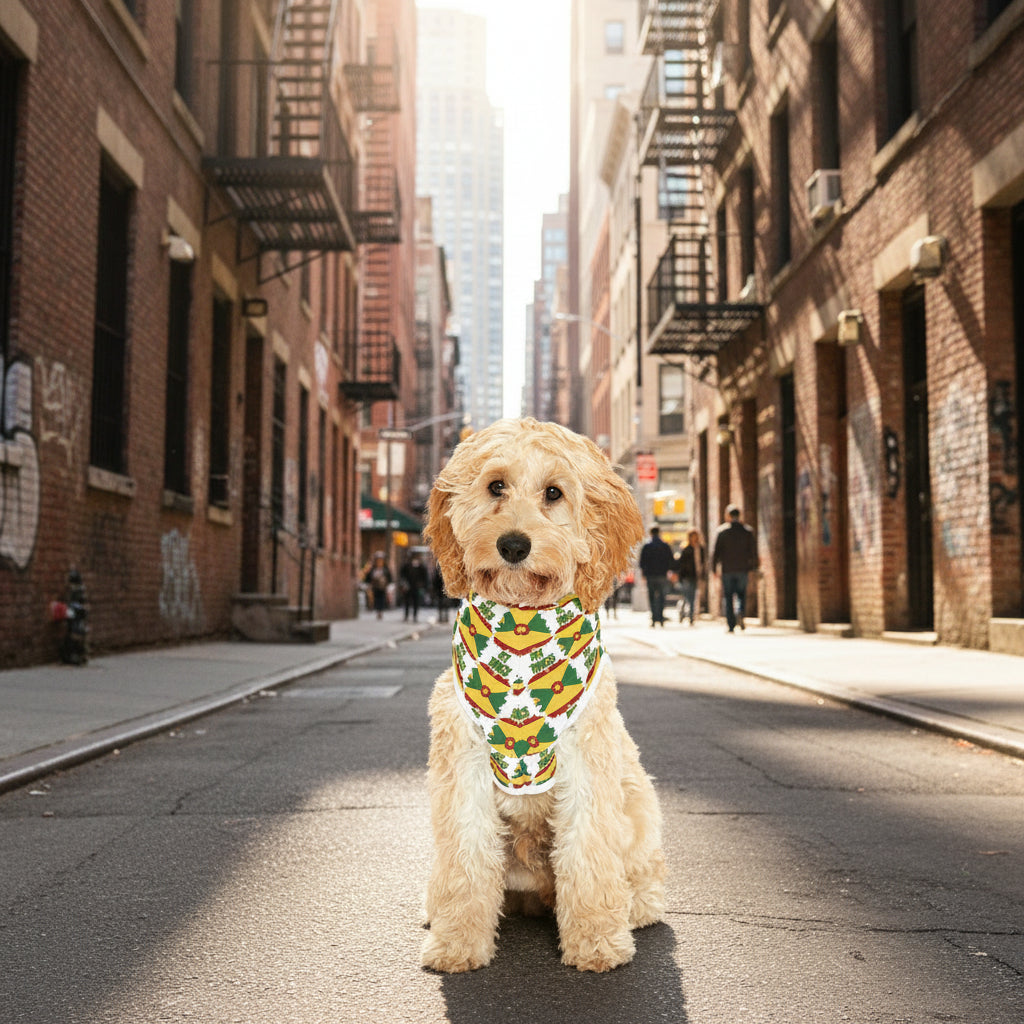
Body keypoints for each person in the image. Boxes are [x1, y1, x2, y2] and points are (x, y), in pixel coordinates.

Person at [710, 505, 758, 633]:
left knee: (728, 596)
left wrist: (714, 569)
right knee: (741, 594)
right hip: (743, 569)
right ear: (739, 515)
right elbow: (753, 551)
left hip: (727, 570)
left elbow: (716, 552)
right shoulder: (747, 531)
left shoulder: (722, 531)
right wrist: (754, 567)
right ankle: (740, 612)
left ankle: (731, 625)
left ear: (728, 516)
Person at [638, 525, 674, 627]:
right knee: (662, 597)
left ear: (650, 533)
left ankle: (654, 619)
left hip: (650, 575)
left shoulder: (647, 546)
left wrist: (643, 574)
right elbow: (670, 560)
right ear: (659, 533)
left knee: (652, 597)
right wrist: (669, 571)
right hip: (662, 575)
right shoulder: (665, 546)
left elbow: (642, 562)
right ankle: (661, 618)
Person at [674, 529, 704, 625]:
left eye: (696, 536)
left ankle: (688, 615)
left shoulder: (701, 549)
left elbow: (703, 563)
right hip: (686, 576)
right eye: (693, 536)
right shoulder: (686, 549)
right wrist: (680, 577)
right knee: (687, 597)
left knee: (692, 597)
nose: (694, 538)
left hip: (696, 576)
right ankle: (686, 614)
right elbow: (681, 565)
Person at [400, 552, 430, 622]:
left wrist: (423, 585)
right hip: (408, 587)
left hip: (416, 587)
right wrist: (404, 583)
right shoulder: (407, 566)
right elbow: (402, 574)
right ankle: (406, 615)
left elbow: (425, 577)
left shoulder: (421, 567)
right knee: (407, 602)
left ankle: (414, 616)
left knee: (416, 602)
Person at [363, 551, 392, 620]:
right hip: (375, 586)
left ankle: (380, 611)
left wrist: (389, 585)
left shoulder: (385, 569)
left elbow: (389, 577)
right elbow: (368, 577)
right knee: (376, 598)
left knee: (381, 598)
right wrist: (368, 583)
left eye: (381, 560)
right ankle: (376, 609)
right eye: (378, 560)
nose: (379, 562)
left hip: (382, 586)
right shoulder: (373, 569)